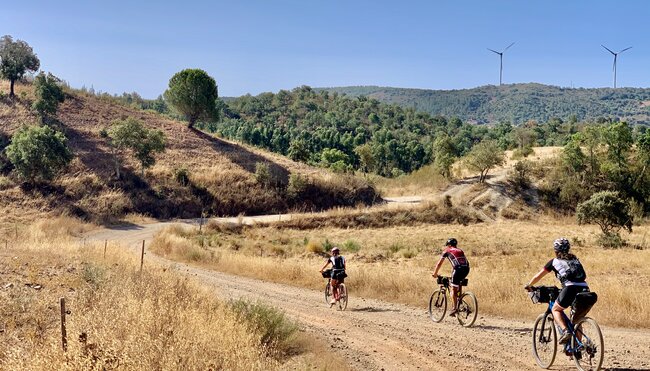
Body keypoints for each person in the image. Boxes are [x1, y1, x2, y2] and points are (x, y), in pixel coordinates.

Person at [525, 237, 591, 345]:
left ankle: (566, 331)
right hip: (585, 289)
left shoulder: (554, 262)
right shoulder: (575, 259)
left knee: (556, 309)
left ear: (555, 250)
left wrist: (529, 285)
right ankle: (578, 349)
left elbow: (538, 276)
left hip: (570, 288)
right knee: (576, 320)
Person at [432, 238, 470, 316]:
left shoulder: (447, 250)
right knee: (457, 284)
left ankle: (454, 308)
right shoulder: (460, 250)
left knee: (453, 288)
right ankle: (460, 301)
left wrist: (435, 273)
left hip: (457, 269)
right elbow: (465, 262)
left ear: (448, 245)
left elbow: (439, 264)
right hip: (466, 269)